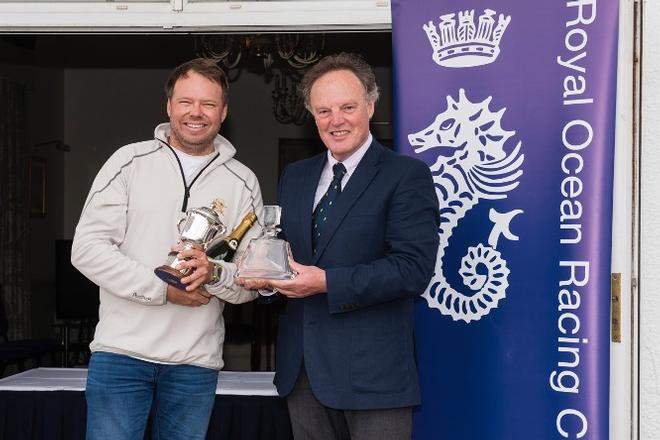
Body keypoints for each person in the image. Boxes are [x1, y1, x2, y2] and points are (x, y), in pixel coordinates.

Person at [237, 53, 440, 439]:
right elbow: (286, 256)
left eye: (347, 107)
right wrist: (266, 279)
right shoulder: (295, 176)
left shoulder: (406, 175)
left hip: (374, 377)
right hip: (303, 373)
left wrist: (326, 282)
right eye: (324, 111)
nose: (336, 120)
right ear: (312, 116)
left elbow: (412, 269)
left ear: (370, 105)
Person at [71, 58, 262, 440]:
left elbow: (250, 281)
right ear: (169, 106)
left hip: (195, 363)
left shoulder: (243, 182)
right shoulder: (128, 162)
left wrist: (214, 273)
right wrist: (163, 290)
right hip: (121, 356)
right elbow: (86, 249)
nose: (196, 113)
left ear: (223, 112)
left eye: (208, 104)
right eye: (186, 101)